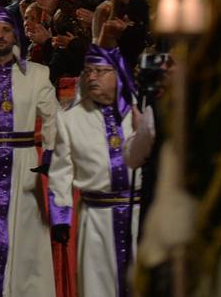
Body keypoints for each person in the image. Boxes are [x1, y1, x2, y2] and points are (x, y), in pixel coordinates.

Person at [0, 7, 59, 297]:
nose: (0, 35)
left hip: (25, 167)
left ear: (15, 35)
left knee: (26, 241)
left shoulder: (37, 74)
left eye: (6, 30)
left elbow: (54, 117)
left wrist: (51, 155)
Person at [49, 47, 156, 297]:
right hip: (95, 219)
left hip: (139, 215)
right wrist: (61, 216)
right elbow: (60, 171)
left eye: (101, 71)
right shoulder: (70, 118)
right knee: (98, 286)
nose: (92, 77)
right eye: (88, 71)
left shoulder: (140, 113)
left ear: (118, 74)